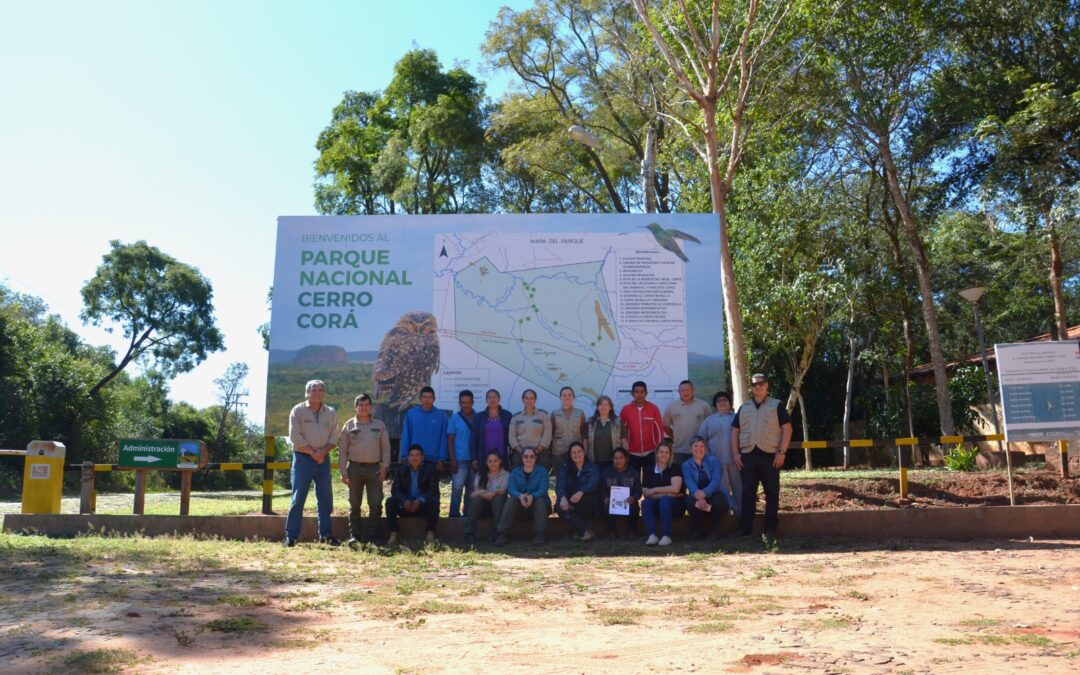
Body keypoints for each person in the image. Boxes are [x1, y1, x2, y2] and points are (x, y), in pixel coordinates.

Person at [731, 373, 793, 540]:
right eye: (754, 384)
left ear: (767, 385)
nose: (758, 386)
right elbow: (735, 430)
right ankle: (745, 529)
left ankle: (770, 529)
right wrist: (736, 453)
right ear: (751, 387)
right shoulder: (744, 407)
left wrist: (782, 452)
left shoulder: (777, 405)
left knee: (772, 493)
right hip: (747, 456)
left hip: (770, 456)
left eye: (761, 383)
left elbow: (787, 429)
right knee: (747, 493)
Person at [284, 380, 339, 547]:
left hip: (323, 459)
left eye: (320, 390)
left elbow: (334, 437)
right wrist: (313, 453)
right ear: (307, 393)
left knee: (325, 499)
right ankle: (291, 537)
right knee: (298, 498)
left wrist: (322, 453)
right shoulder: (298, 410)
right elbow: (295, 437)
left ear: (324, 393)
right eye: (313, 390)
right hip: (302, 459)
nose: (317, 393)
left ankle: (326, 535)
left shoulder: (330, 412)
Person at [338, 393, 390, 546]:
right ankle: (355, 536)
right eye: (361, 405)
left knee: (375, 503)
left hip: (375, 469)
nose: (364, 407)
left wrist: (384, 467)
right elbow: (342, 451)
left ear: (371, 407)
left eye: (367, 404)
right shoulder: (348, 425)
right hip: (354, 468)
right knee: (354, 504)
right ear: (356, 407)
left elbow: (386, 448)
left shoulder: (379, 425)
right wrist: (343, 472)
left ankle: (374, 536)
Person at [385, 444, 440, 546]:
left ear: (422, 458)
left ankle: (430, 534)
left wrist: (420, 500)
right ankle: (393, 535)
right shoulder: (401, 470)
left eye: (417, 455)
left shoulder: (430, 470)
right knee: (390, 501)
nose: (414, 458)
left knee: (434, 501)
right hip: (405, 506)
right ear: (408, 458)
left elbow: (433, 490)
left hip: (422, 507)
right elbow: (395, 490)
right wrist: (404, 501)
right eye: (412, 455)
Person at [494, 447, 551, 546]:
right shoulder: (515, 472)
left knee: (540, 500)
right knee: (512, 499)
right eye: (526, 456)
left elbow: (543, 489)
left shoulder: (542, 471)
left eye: (532, 456)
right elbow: (511, 489)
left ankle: (540, 534)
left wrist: (532, 496)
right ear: (522, 459)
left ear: (535, 458)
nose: (529, 459)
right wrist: (520, 496)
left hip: (538, 507)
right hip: (520, 506)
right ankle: (502, 534)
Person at [698, 391, 740, 516]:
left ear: (730, 402)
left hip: (736, 461)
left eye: (725, 400)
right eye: (719, 401)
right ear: (715, 405)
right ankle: (725, 513)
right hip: (717, 462)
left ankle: (741, 514)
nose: (722, 402)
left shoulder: (737, 418)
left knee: (739, 488)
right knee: (722, 490)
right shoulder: (709, 421)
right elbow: (700, 440)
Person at [681, 436, 730, 539]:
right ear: (690, 449)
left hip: (713, 492)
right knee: (689, 501)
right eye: (695, 446)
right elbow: (689, 482)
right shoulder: (686, 465)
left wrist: (705, 493)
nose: (699, 449)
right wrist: (700, 496)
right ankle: (697, 530)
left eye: (702, 446)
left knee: (718, 501)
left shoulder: (714, 461)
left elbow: (716, 480)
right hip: (697, 494)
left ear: (705, 448)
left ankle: (714, 530)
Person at [554, 441, 600, 542]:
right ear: (570, 455)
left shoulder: (593, 467)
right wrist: (562, 497)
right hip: (571, 501)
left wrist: (581, 492)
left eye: (579, 451)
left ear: (584, 453)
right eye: (573, 452)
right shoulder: (564, 468)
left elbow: (594, 483)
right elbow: (560, 486)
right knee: (559, 506)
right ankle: (586, 530)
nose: (577, 454)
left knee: (586, 500)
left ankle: (577, 530)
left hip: (588, 502)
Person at [641, 441, 684, 546]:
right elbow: (646, 494)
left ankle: (666, 536)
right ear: (656, 453)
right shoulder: (648, 470)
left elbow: (676, 489)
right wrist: (667, 494)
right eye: (661, 452)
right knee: (646, 503)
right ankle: (652, 535)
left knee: (665, 501)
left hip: (675, 506)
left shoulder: (675, 468)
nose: (664, 454)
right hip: (657, 505)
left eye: (667, 452)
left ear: (670, 454)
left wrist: (655, 490)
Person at [619, 381, 664, 476]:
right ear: (632, 393)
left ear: (646, 393)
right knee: (633, 480)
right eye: (637, 392)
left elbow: (659, 431)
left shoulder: (654, 408)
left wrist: (658, 449)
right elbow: (622, 432)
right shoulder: (626, 410)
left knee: (650, 480)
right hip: (632, 453)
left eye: (642, 392)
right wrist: (625, 449)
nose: (640, 395)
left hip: (651, 452)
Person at [464, 452, 510, 545]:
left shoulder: (506, 475)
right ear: (486, 463)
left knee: (498, 499)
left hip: (499, 507)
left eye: (495, 461)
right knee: (476, 501)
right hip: (484, 507)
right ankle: (470, 533)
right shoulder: (481, 474)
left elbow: (502, 491)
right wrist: (488, 493)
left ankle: (498, 532)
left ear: (500, 461)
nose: (492, 464)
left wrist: (482, 492)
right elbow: (474, 494)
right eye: (490, 461)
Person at [663, 380, 712, 465]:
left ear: (693, 390)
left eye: (688, 390)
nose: (685, 392)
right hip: (679, 450)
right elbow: (665, 426)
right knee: (679, 477)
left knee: (699, 477)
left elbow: (711, 425)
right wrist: (674, 437)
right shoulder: (672, 406)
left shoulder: (703, 405)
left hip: (699, 450)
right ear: (679, 392)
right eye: (682, 390)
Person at [446, 389, 476, 518]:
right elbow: (450, 441)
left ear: (473, 402)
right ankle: (453, 516)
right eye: (463, 402)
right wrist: (453, 460)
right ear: (459, 403)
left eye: (468, 402)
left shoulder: (478, 417)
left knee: (471, 490)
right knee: (457, 490)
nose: (466, 405)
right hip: (459, 460)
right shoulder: (454, 418)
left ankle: (468, 516)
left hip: (474, 460)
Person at [400, 386, 448, 465]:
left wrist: (441, 458)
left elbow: (443, 438)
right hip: (415, 458)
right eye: (424, 397)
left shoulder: (441, 416)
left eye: (430, 397)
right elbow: (406, 435)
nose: (427, 400)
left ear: (434, 399)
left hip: (433, 459)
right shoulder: (412, 414)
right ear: (420, 399)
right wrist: (404, 455)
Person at [600, 448, 641, 539]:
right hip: (612, 503)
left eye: (621, 458)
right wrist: (605, 498)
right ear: (612, 459)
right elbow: (602, 490)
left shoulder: (634, 473)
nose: (618, 461)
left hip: (628, 503)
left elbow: (638, 491)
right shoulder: (606, 473)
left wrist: (633, 498)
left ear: (626, 459)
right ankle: (611, 532)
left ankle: (631, 532)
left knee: (635, 508)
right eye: (615, 458)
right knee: (605, 508)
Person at [470, 389, 513, 470]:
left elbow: (512, 437)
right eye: (489, 398)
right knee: (485, 480)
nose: (492, 400)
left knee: (502, 480)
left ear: (499, 399)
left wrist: (510, 457)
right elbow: (474, 439)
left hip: (503, 455)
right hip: (484, 456)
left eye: (495, 397)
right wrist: (474, 458)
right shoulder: (479, 417)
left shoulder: (507, 415)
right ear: (486, 400)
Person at [509, 389, 552, 470]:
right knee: (518, 475)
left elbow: (547, 433)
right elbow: (511, 436)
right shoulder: (516, 417)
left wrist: (537, 450)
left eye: (532, 398)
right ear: (522, 400)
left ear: (535, 400)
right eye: (526, 398)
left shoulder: (543, 415)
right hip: (520, 452)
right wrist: (521, 451)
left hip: (539, 452)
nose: (529, 401)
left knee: (541, 475)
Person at [550, 387, 588, 475]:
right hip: (559, 453)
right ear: (560, 397)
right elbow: (551, 433)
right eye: (564, 395)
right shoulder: (555, 414)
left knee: (576, 478)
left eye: (570, 395)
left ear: (574, 397)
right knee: (561, 479)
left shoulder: (580, 413)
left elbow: (584, 433)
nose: (567, 397)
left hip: (576, 454)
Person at [587, 395, 626, 472]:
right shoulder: (591, 422)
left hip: (613, 461)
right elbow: (585, 440)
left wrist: (624, 458)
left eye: (606, 405)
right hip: (595, 461)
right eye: (600, 404)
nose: (603, 407)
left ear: (610, 407)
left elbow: (623, 440)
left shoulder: (618, 422)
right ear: (597, 407)